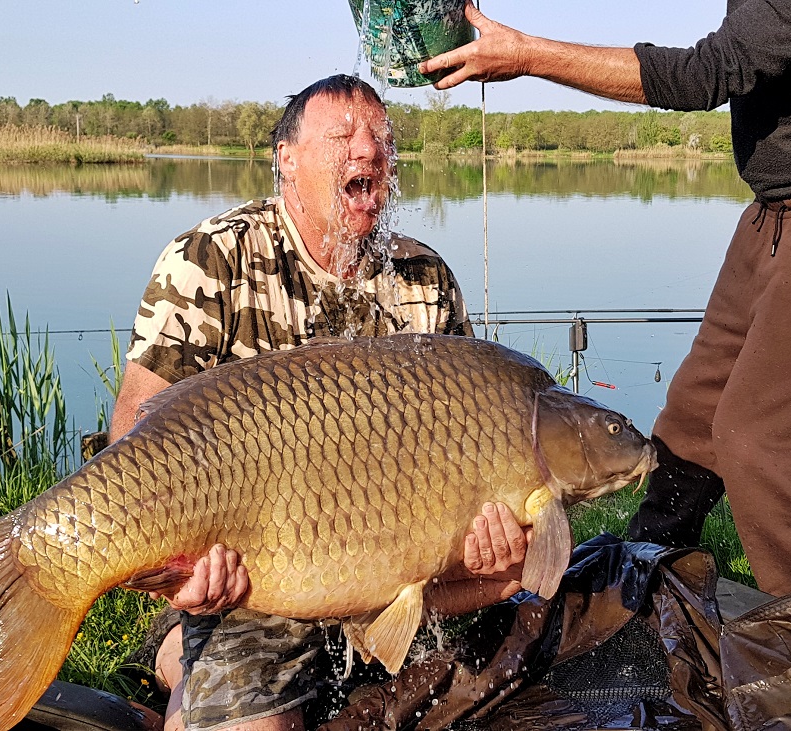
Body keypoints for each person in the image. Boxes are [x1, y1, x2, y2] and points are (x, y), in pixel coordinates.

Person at [109, 74, 531, 731]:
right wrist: (176, 570)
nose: (367, 150)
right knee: (239, 703)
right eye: (342, 136)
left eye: (381, 140)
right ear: (287, 159)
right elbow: (136, 431)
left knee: (524, 568)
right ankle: (182, 661)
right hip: (248, 582)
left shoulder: (422, 279)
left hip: (393, 569)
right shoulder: (211, 259)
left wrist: (491, 540)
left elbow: (474, 445)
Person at [419, 1, 791, 596]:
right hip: (770, 214)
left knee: (756, 444)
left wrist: (525, 55)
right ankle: (641, 591)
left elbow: (706, 74)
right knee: (689, 423)